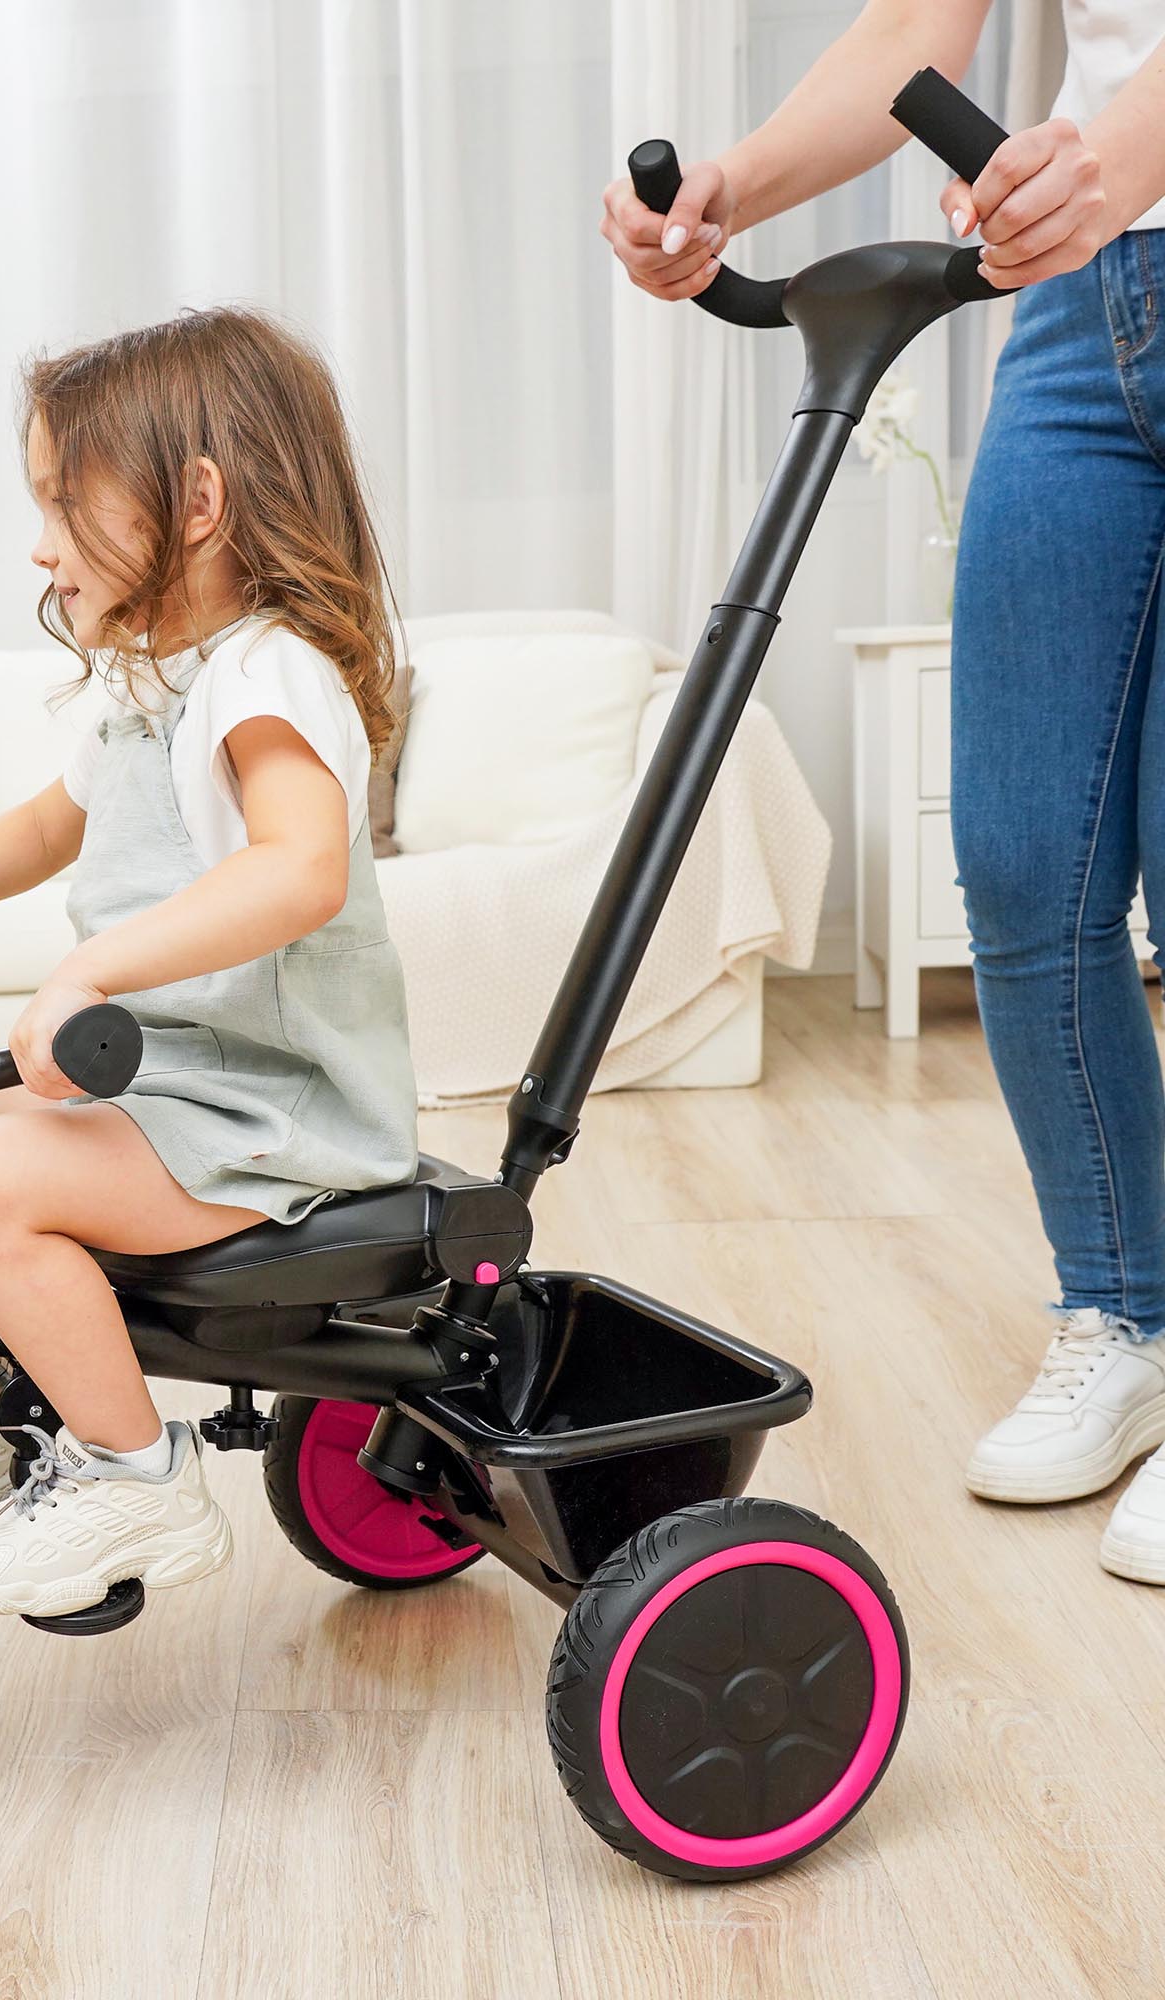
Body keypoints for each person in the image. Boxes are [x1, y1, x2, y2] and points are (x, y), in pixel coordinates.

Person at [601, 1, 1165, 1582]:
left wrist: (1112, 158)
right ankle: (1126, 1312)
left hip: (1103, 201)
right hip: (1078, 306)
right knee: (1023, 860)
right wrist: (730, 186)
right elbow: (915, 34)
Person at [0, 307, 421, 1619]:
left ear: (198, 503)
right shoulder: (158, 680)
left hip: (275, 1110)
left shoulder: (268, 673)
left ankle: (135, 1477)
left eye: (64, 501)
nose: (39, 544)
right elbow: (53, 825)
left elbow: (300, 868)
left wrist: (89, 972)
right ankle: (50, 1405)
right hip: (179, 1088)